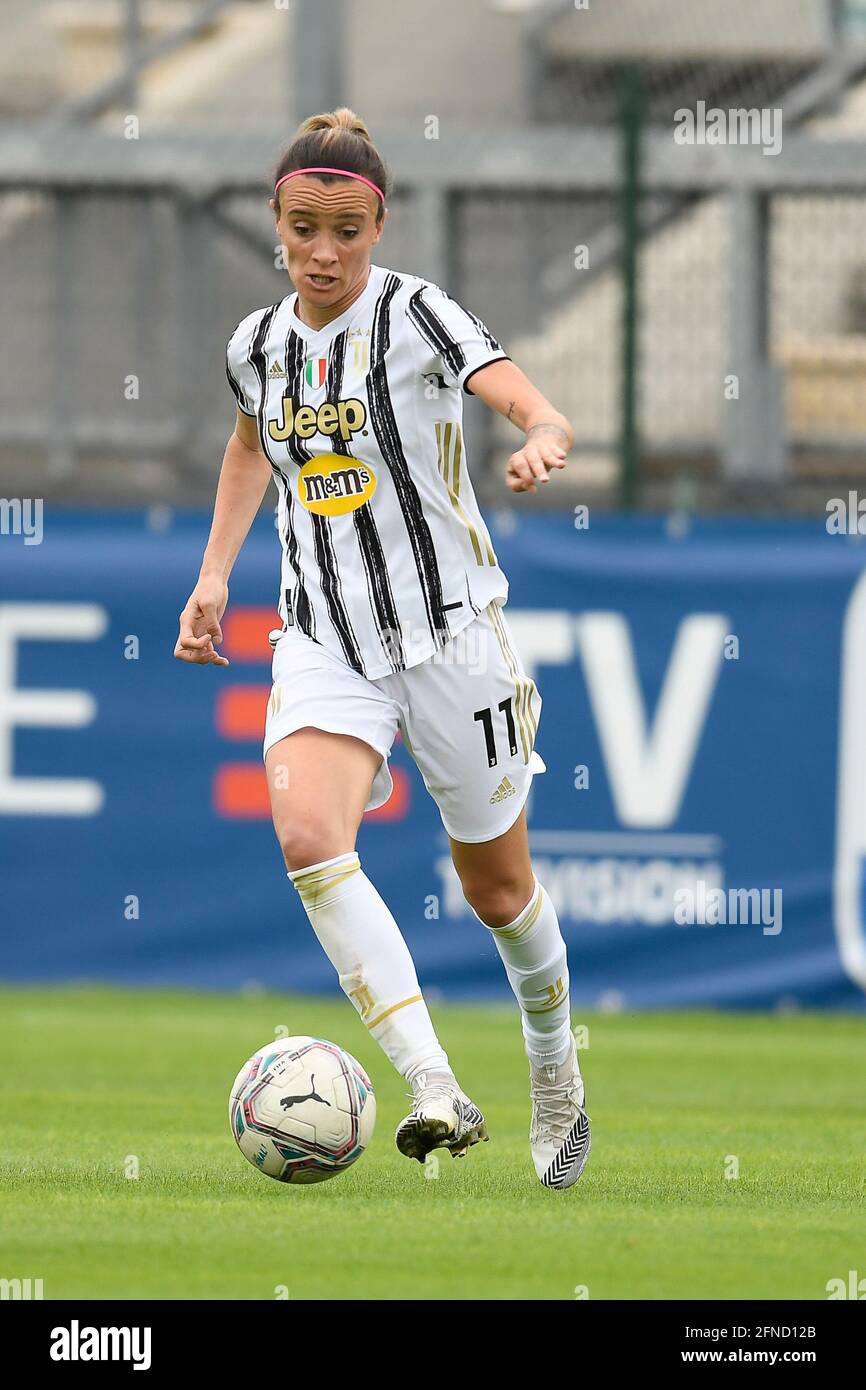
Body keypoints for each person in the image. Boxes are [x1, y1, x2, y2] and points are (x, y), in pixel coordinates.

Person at [175, 107, 590, 1189]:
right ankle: (433, 1086)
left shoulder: (419, 318)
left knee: (497, 891)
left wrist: (542, 435)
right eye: (304, 227)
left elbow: (522, 397)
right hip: (324, 638)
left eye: (346, 230)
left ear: (377, 224)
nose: (323, 251)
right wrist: (215, 575)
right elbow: (245, 450)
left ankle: (554, 1066)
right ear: (275, 221)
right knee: (309, 835)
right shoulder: (255, 346)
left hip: (449, 634)